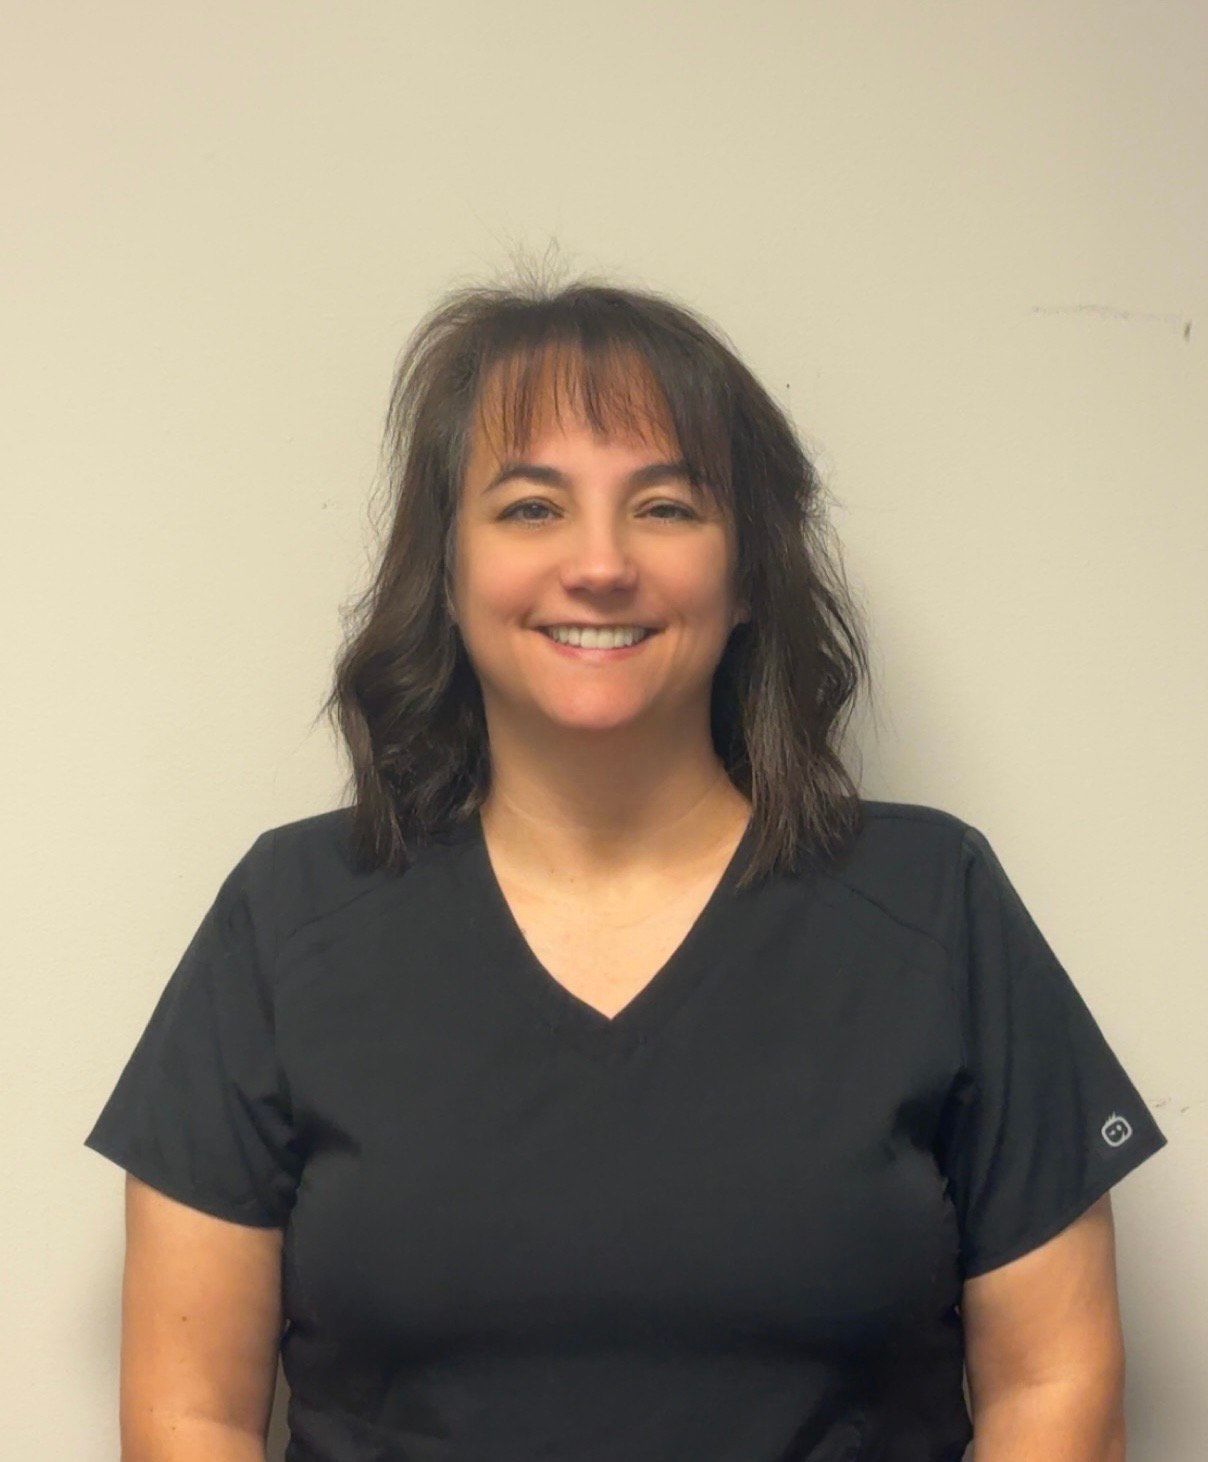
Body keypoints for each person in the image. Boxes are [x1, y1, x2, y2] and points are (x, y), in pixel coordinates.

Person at [84, 273, 1168, 1460]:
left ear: (746, 571)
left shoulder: (931, 905)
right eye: (531, 508)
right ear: (442, 574)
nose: (598, 564)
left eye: (663, 506)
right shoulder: (288, 919)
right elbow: (188, 1416)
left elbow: (1054, 1387)